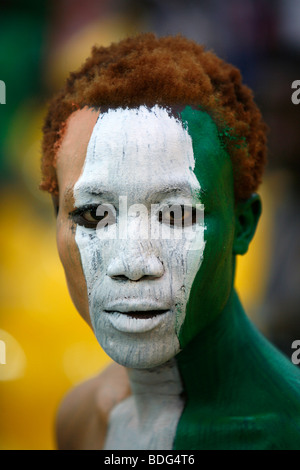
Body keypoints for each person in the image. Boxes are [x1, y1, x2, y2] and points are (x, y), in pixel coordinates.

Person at [40, 33, 300, 450]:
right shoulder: (83, 419)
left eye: (176, 214)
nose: (132, 262)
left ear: (243, 225)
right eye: (93, 214)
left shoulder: (285, 432)